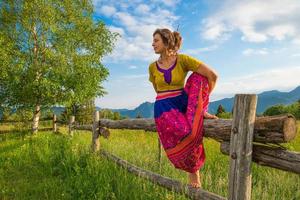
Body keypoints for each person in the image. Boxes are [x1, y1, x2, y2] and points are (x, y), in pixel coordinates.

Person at [148, 28, 218, 188]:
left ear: (166, 42)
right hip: (164, 106)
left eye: (156, 40)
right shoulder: (152, 68)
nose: (152, 44)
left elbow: (212, 75)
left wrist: (202, 104)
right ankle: (193, 173)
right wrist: (166, 102)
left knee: (199, 77)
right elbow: (157, 90)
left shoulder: (183, 60)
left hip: (183, 102)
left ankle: (202, 111)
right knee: (187, 134)